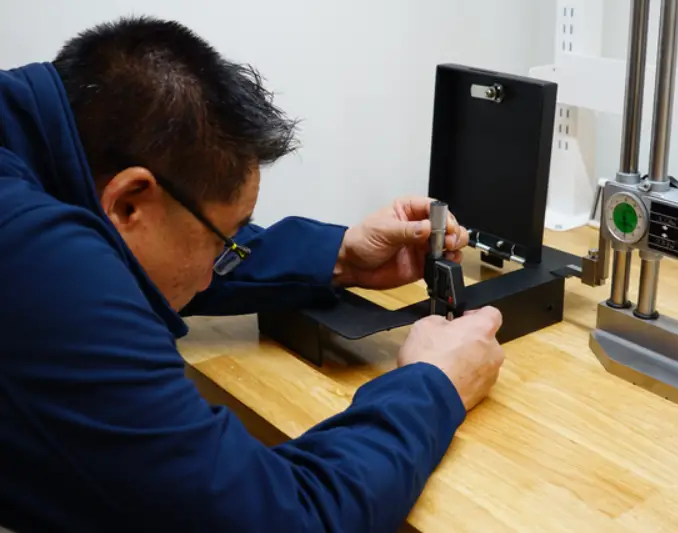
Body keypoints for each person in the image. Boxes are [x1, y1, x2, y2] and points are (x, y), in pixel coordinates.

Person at [0, 15, 506, 533]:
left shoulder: (36, 137)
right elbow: (287, 520)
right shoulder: (31, 257)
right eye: (221, 239)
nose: (209, 274)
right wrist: (433, 384)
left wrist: (340, 256)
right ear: (129, 203)